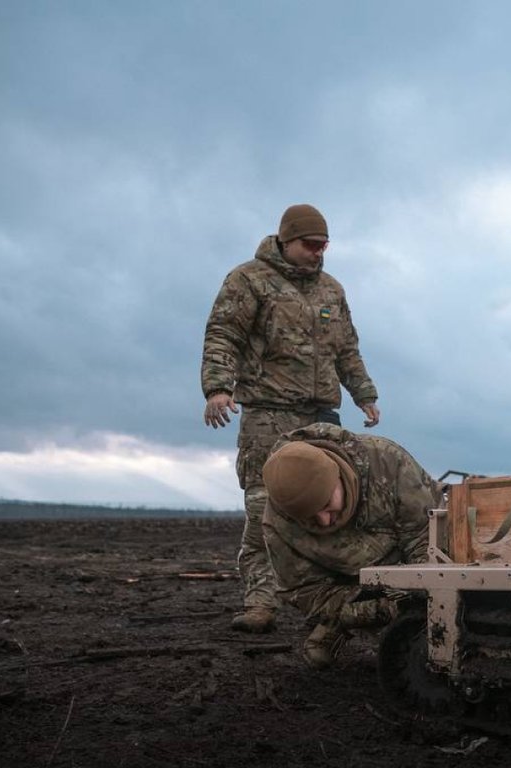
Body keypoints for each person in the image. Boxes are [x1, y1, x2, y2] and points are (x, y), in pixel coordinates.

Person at [201, 204, 382, 634]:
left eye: (324, 246)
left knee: (336, 507)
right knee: (266, 505)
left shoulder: (332, 290)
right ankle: (261, 604)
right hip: (269, 412)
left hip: (322, 418)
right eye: (310, 244)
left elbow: (347, 349)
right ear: (286, 240)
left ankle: (330, 609)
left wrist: (365, 395)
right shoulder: (249, 280)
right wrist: (218, 388)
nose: (319, 253)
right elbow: (224, 333)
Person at [260, 423, 442, 669]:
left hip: (409, 562)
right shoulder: (278, 523)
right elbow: (304, 592)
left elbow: (425, 537)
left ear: (338, 476)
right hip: (352, 585)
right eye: (310, 517)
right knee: (328, 643)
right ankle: (337, 627)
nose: (324, 521)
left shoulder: (388, 463)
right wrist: (379, 610)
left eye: (326, 504)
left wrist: (425, 597)